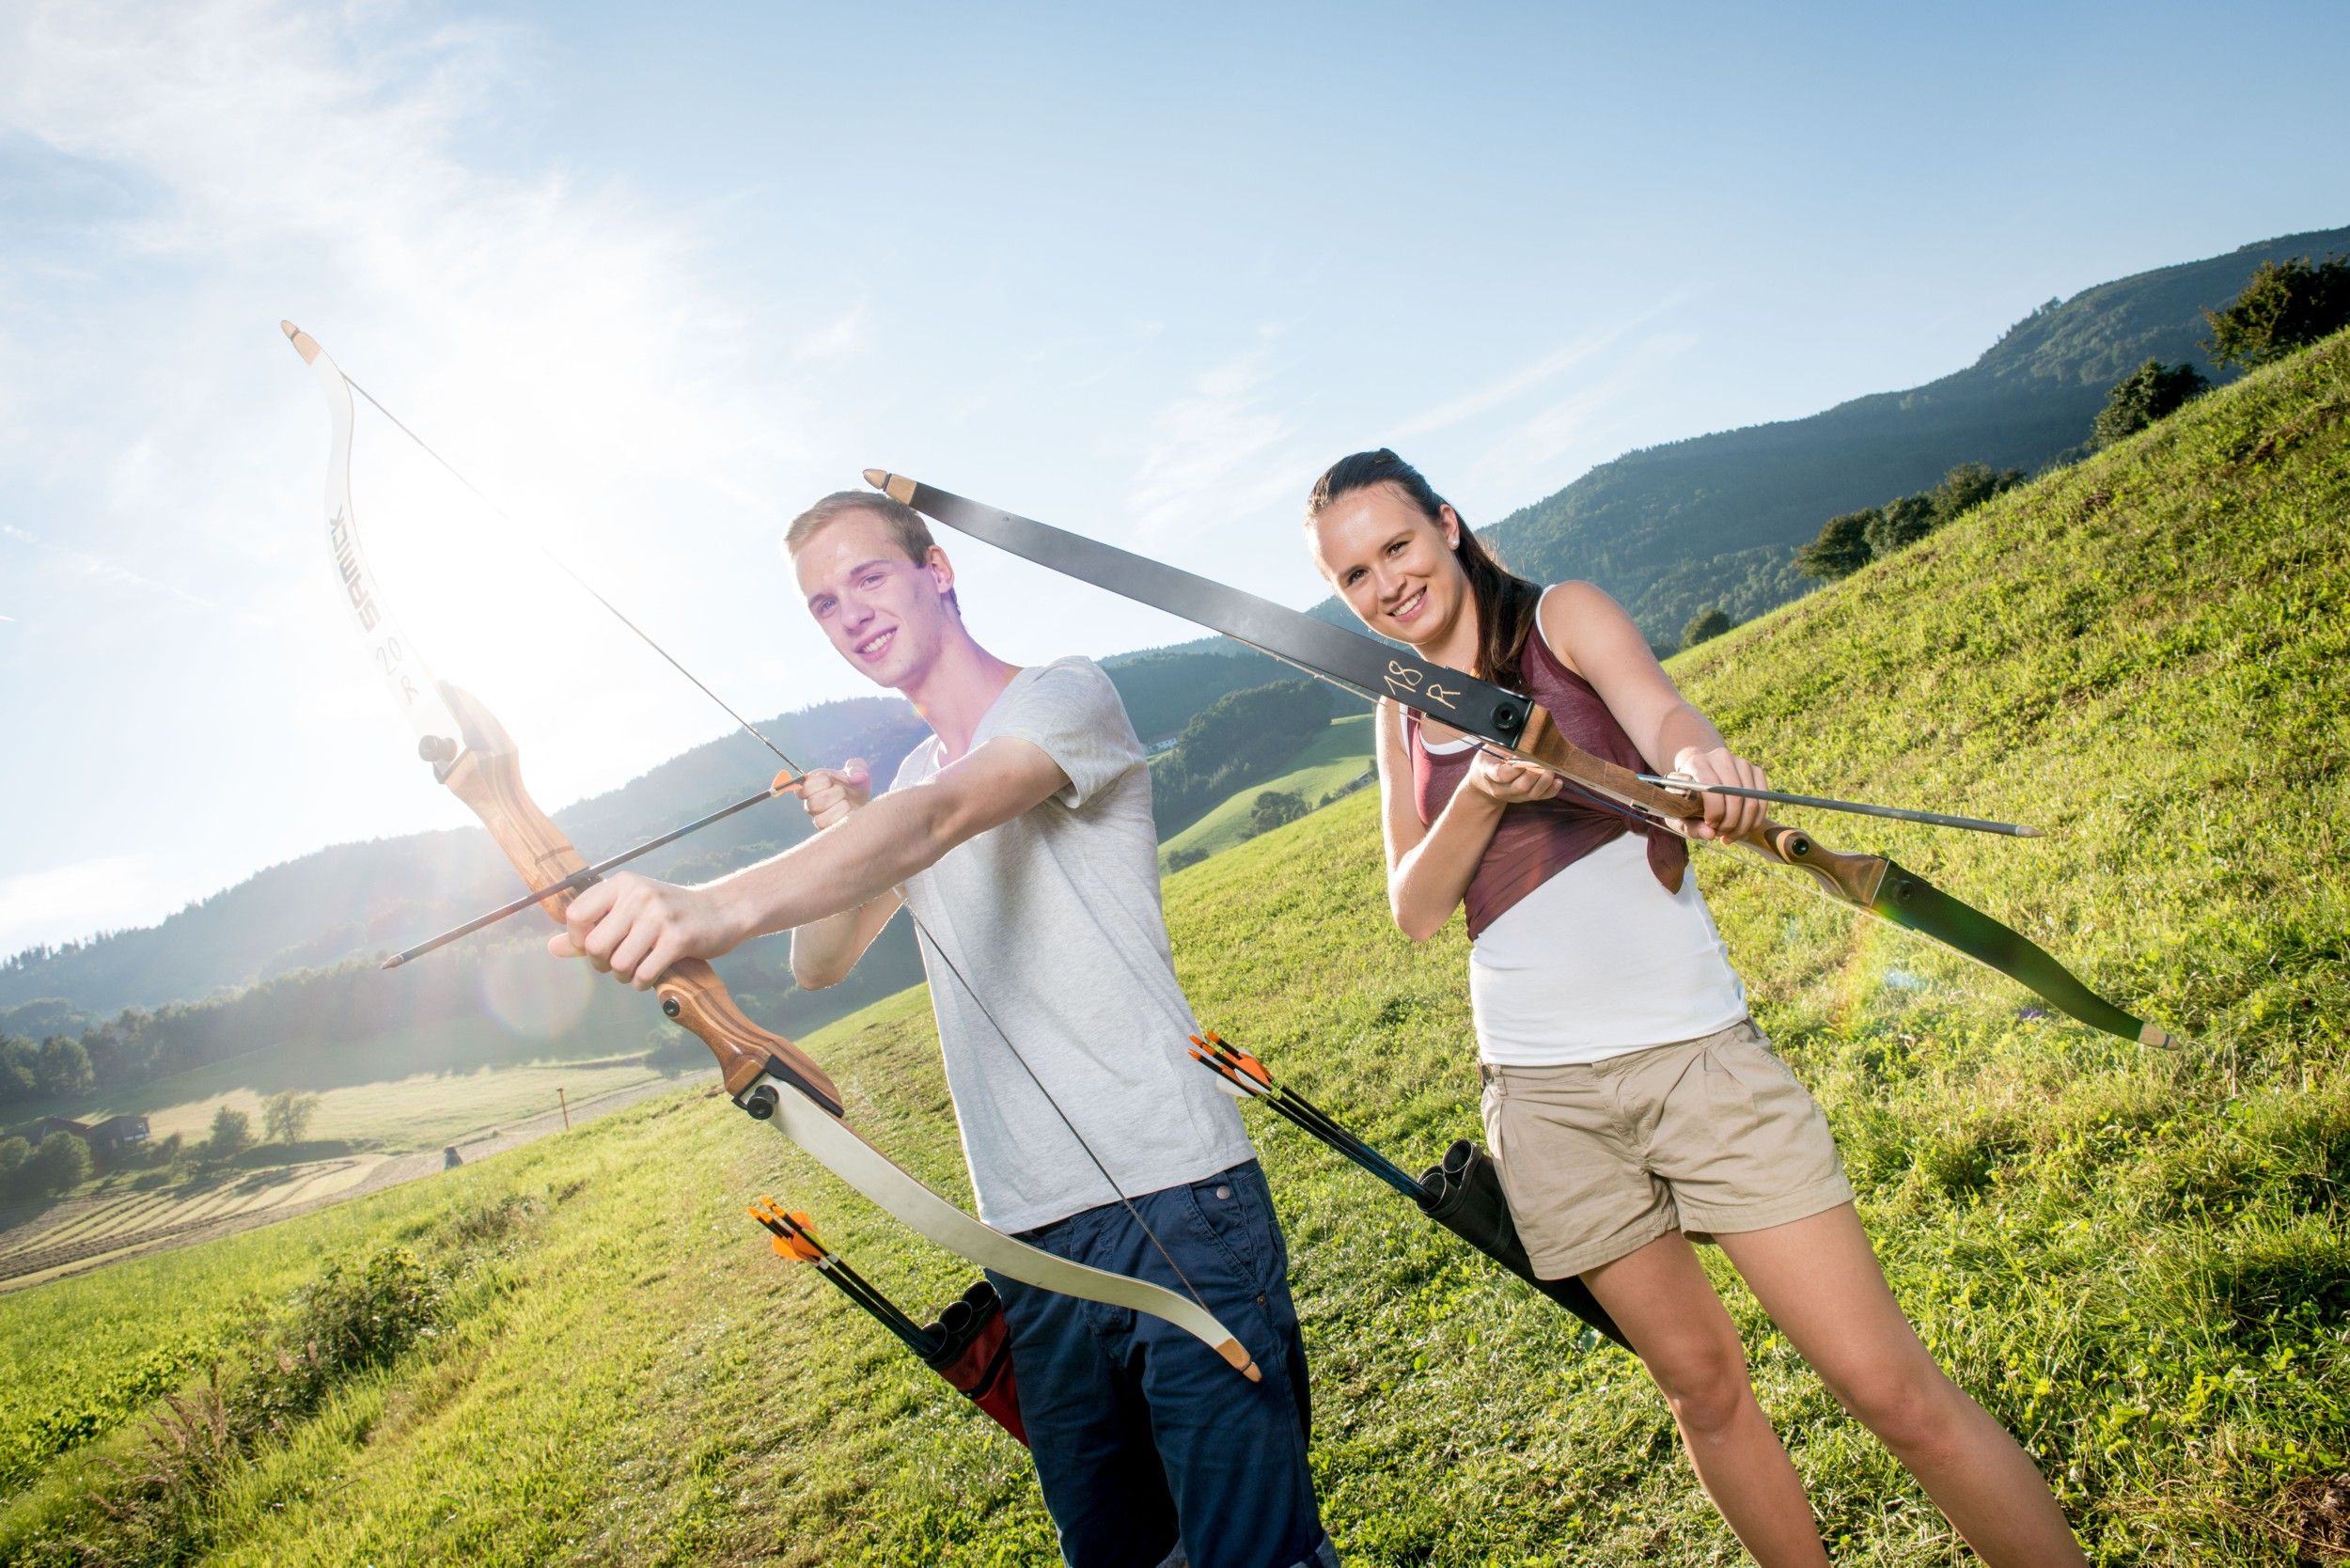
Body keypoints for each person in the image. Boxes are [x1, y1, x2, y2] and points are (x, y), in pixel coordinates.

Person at [1300, 448, 2085, 1568]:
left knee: (1886, 1387)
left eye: (1397, 547)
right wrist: (1479, 790)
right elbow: (1415, 905)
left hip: (1691, 1062)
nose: (1386, 585)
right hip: (1542, 1097)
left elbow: (1663, 717)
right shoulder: (1400, 708)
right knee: (1702, 1392)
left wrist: (1701, 763)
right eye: (1353, 577)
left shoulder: (1557, 615)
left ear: (1446, 524)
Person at [548, 490, 1335, 1568]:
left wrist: (710, 905)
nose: (851, 613)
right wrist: (845, 837)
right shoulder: (902, 794)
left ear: (938, 570)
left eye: (869, 577)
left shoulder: (1062, 698)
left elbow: (947, 813)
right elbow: (819, 963)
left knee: (1256, 1558)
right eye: (824, 603)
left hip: (1174, 1200)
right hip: (1027, 1242)